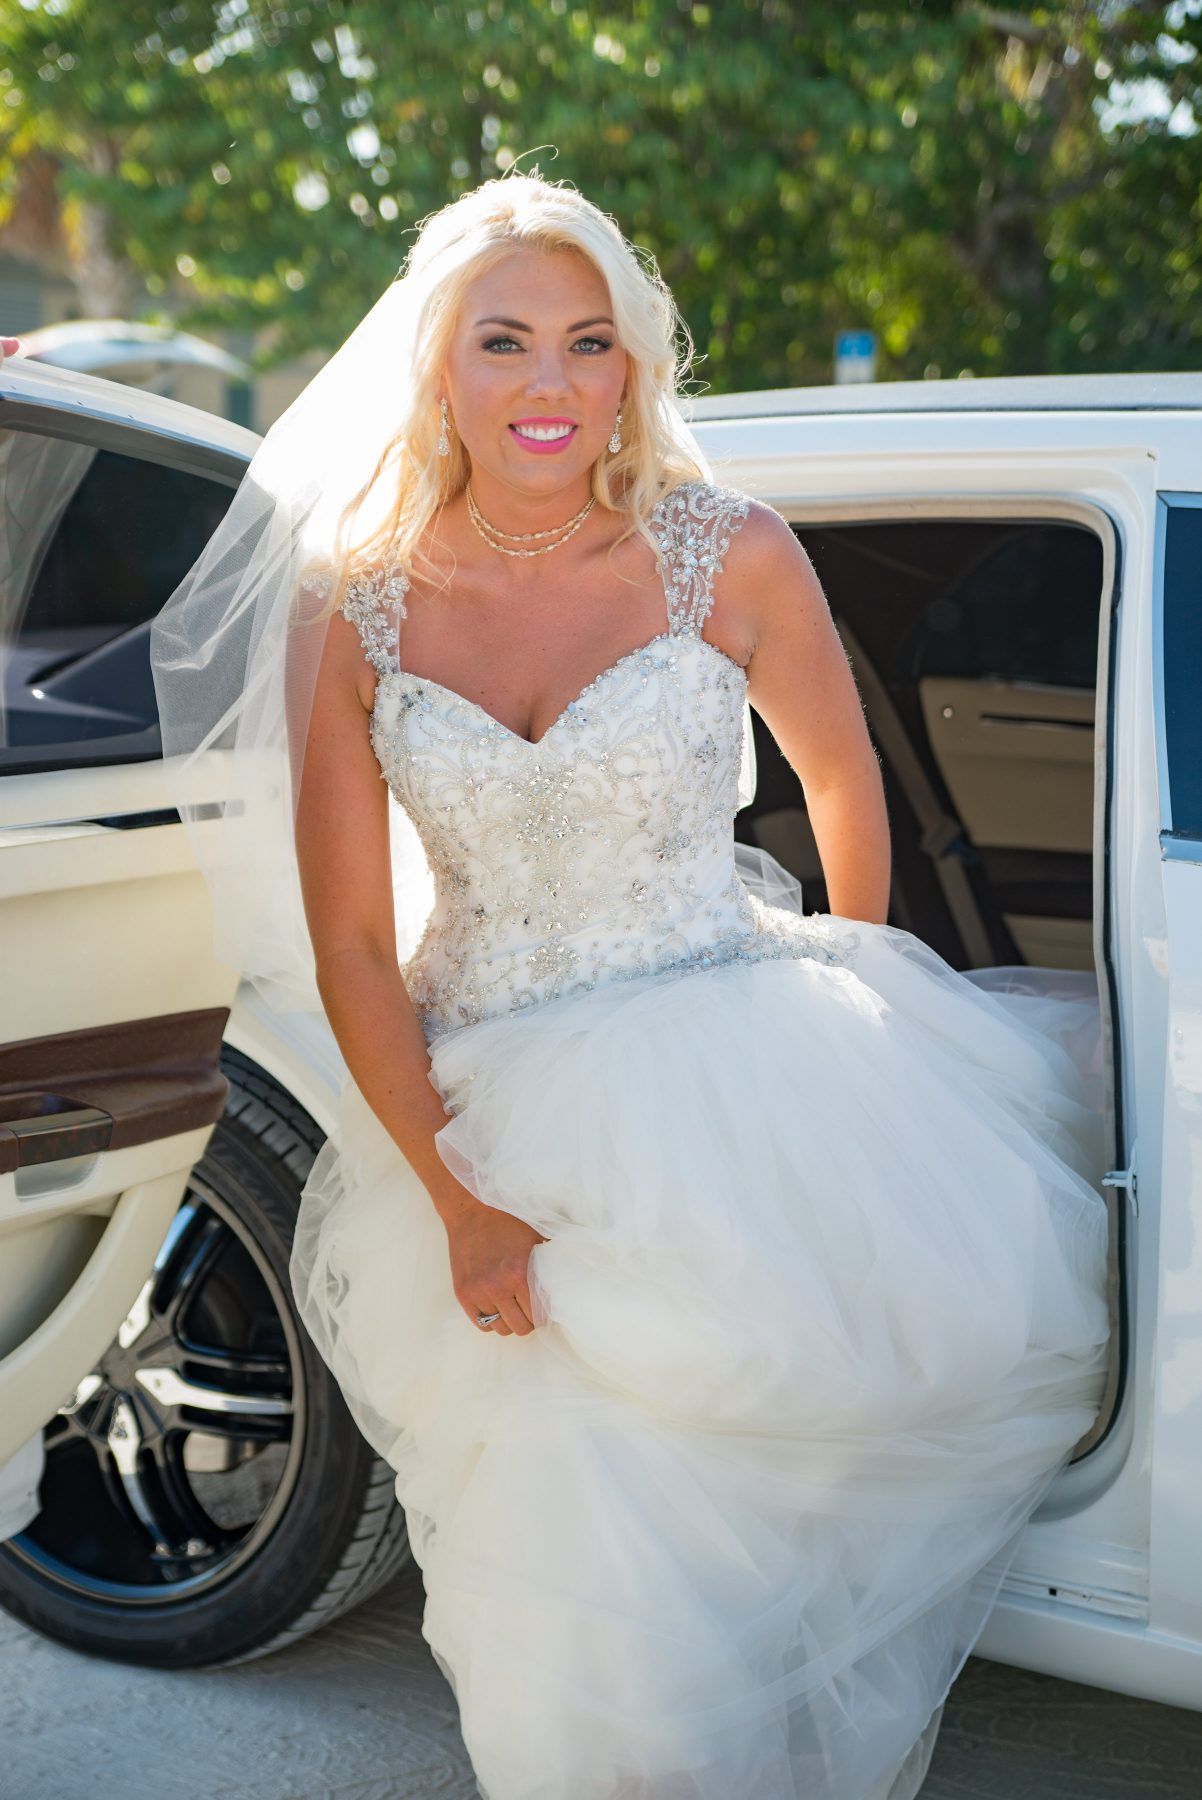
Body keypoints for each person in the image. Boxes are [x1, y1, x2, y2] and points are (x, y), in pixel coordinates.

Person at [151, 170, 1111, 1800]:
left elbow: (844, 796)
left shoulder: (725, 555)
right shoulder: (355, 609)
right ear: (437, 371)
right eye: (503, 342)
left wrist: (855, 1032)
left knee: (748, 1520)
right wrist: (457, 1202)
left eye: (585, 344)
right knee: (572, 1575)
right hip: (491, 1114)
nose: (547, 385)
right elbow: (356, 952)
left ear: (631, 373)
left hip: (729, 1062)